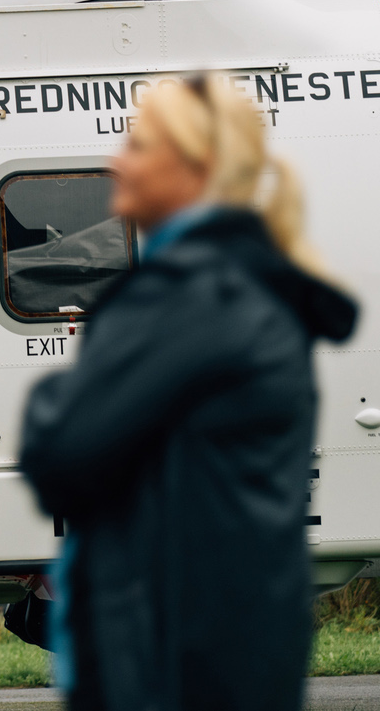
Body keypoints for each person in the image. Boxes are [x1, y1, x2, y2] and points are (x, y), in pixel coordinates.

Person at [20, 75, 357, 711]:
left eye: (139, 145)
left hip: (173, 639)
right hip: (220, 627)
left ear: (196, 167)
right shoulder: (237, 283)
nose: (117, 160)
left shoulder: (189, 296)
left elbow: (63, 452)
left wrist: (57, 396)